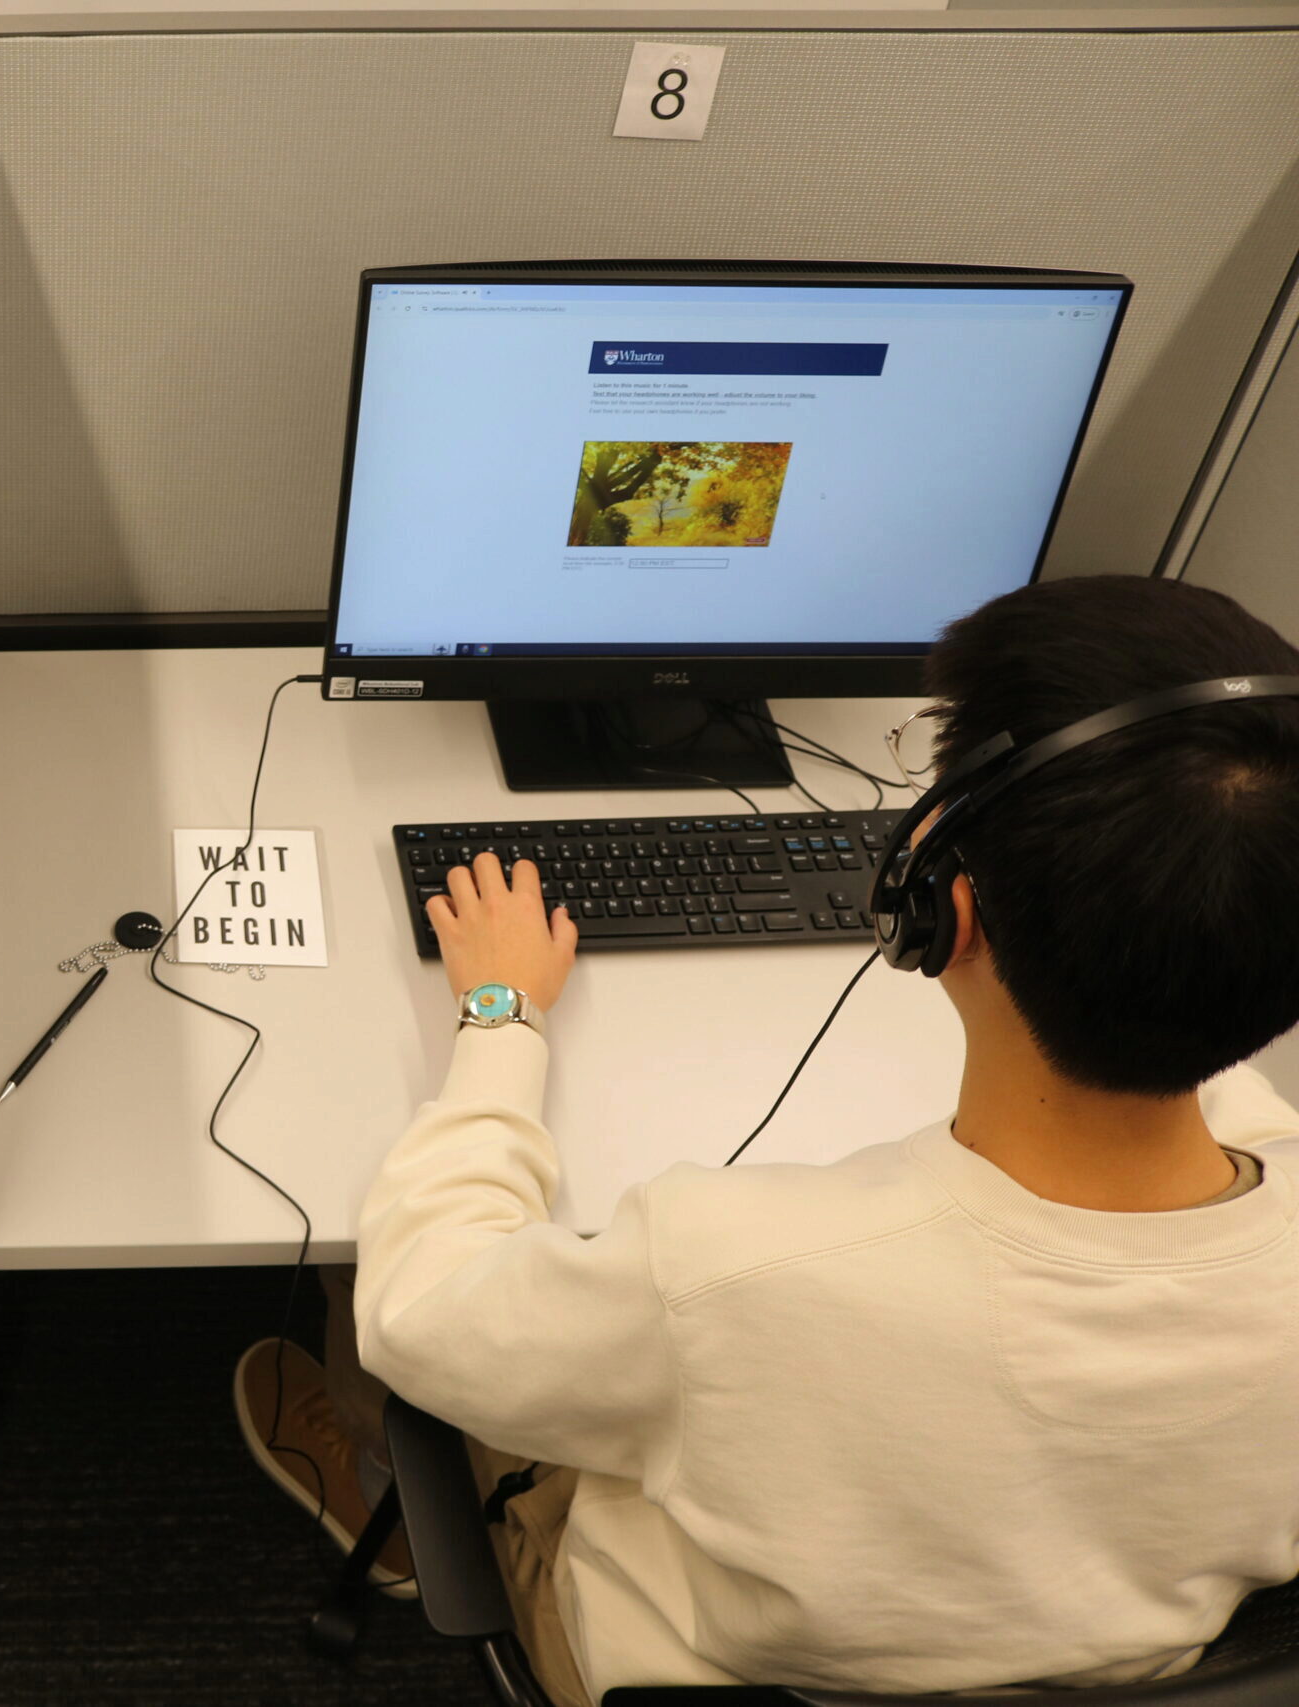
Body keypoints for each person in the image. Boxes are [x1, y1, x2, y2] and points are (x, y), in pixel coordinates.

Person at [241, 575, 1299, 1702]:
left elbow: (421, 1309)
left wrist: (499, 1015)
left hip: (709, 1664)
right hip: (1125, 1660)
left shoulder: (730, 1267)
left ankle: (364, 1479)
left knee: (381, 1298)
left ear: (940, 906)